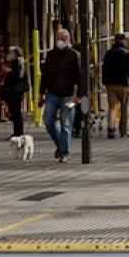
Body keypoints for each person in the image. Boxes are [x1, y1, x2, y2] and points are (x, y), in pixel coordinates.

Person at [41, 28, 83, 162]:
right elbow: (45, 75)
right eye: (58, 38)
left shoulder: (74, 55)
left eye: (63, 39)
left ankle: (64, 152)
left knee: (66, 124)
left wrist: (79, 95)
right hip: (52, 93)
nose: (60, 41)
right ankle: (61, 145)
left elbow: (80, 76)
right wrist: (41, 93)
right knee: (48, 121)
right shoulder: (50, 55)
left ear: (68, 40)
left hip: (68, 94)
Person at [102, 33, 129, 139]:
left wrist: (104, 82)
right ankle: (123, 131)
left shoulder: (108, 53)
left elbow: (104, 68)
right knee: (123, 108)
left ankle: (111, 129)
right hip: (123, 84)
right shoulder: (127, 54)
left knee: (112, 107)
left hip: (110, 85)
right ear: (123, 41)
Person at [0, 45, 30, 139]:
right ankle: (17, 132)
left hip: (15, 91)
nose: (8, 55)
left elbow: (19, 76)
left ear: (16, 54)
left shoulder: (18, 62)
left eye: (10, 53)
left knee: (16, 113)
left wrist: (9, 71)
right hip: (12, 91)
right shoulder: (14, 63)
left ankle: (18, 133)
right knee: (14, 112)